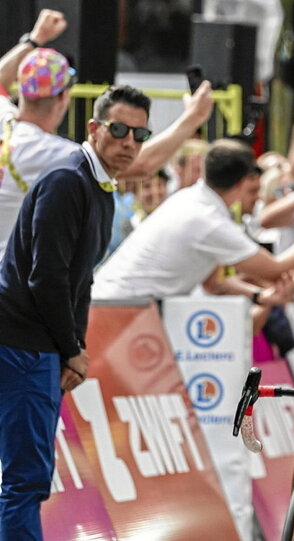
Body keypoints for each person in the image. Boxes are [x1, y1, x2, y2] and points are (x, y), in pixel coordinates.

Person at [0, 84, 153, 541]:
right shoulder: (69, 180)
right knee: (25, 479)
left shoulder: (99, 186)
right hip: (21, 343)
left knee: (24, 476)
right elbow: (47, 278)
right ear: (94, 127)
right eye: (120, 129)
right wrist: (70, 350)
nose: (129, 142)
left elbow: (78, 280)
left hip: (33, 343)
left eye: (140, 135)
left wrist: (74, 347)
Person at [0, 9, 215, 259]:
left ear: (23, 92)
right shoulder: (44, 152)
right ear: (63, 98)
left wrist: (34, 39)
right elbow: (141, 163)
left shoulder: (6, 122)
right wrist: (193, 118)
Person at [92, 138, 294, 303]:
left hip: (115, 304)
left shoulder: (191, 201)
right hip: (120, 309)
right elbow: (278, 270)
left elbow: (214, 283)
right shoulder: (209, 221)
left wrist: (259, 297)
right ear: (243, 182)